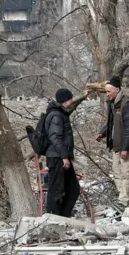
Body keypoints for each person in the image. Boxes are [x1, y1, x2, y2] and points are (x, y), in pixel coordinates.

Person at [96, 76, 129, 209]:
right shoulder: (112, 104)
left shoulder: (126, 105)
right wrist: (102, 133)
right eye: (106, 92)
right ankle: (122, 197)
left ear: (117, 90)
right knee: (116, 172)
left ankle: (123, 201)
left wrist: (125, 148)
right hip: (116, 144)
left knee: (125, 173)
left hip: (125, 145)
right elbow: (111, 123)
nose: (107, 94)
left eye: (109, 92)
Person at [45, 88, 80, 217]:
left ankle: (63, 218)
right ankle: (52, 220)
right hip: (57, 158)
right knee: (56, 191)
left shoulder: (60, 113)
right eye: (71, 98)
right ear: (66, 100)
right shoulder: (56, 115)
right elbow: (55, 137)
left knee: (73, 189)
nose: (72, 101)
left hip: (62, 157)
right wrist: (64, 157)